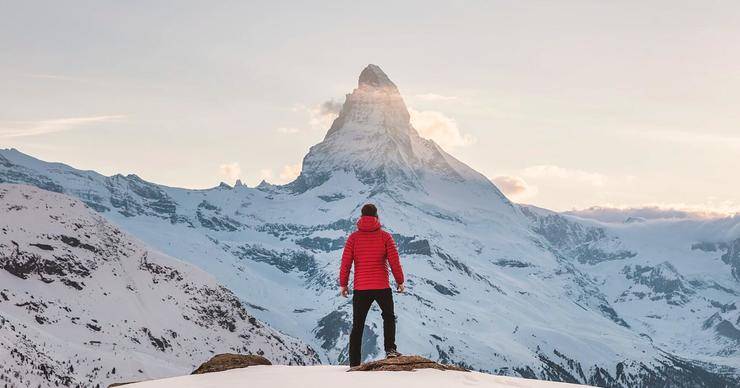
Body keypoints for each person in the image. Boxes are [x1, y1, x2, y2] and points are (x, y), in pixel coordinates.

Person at [339, 203, 405, 367]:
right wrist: (400, 281)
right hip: (382, 286)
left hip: (361, 288)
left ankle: (354, 362)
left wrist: (343, 284)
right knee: (388, 317)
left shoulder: (353, 238)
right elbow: (394, 261)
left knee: (358, 324)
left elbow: (345, 263)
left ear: (361, 217)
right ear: (376, 217)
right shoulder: (385, 237)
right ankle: (390, 350)